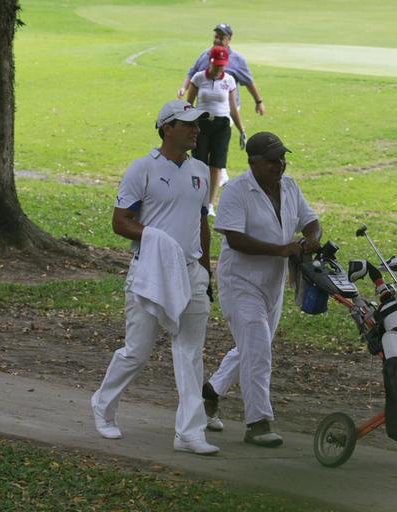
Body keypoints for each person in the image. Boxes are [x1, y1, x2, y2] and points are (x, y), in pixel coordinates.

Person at [90, 99, 219, 456]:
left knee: (190, 352)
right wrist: (156, 237)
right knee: (137, 351)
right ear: (167, 128)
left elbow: (201, 222)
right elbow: (120, 222)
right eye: (188, 124)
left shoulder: (200, 171)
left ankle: (190, 432)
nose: (195, 130)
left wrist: (206, 271)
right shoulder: (141, 169)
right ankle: (103, 403)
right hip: (150, 271)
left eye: (197, 124)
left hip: (192, 273)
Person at [202, 132, 322, 447]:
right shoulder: (235, 192)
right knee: (257, 349)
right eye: (272, 161)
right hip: (240, 282)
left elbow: (311, 221)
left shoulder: (291, 188)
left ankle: (211, 393)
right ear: (253, 162)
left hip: (273, 285)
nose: (279, 165)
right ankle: (258, 422)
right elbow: (234, 239)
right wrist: (282, 250)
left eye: (282, 158)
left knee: (252, 347)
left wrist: (311, 238)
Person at [187, 45, 245, 217]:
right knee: (199, 165)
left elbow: (233, 108)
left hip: (222, 126)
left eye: (222, 64)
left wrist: (242, 130)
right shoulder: (198, 78)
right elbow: (189, 105)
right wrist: (187, 125)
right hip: (202, 124)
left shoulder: (229, 80)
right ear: (210, 61)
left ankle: (210, 204)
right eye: (217, 64)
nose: (220, 67)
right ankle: (197, 200)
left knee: (217, 166)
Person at [177, 23, 265, 117]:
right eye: (216, 37)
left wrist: (258, 102)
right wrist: (183, 87)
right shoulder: (205, 54)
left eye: (221, 38)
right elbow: (192, 73)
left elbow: (249, 82)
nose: (217, 40)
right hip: (205, 106)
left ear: (229, 39)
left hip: (228, 108)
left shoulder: (238, 60)